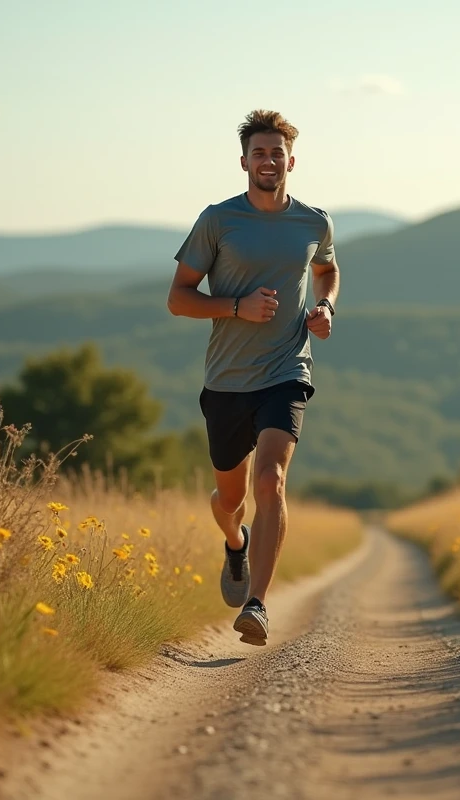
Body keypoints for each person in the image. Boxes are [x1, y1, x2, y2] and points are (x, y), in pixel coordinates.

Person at [166, 109, 339, 646]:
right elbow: (178, 299)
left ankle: (259, 605)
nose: (269, 160)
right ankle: (235, 543)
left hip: (287, 370)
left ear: (292, 159)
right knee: (230, 502)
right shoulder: (219, 220)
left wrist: (327, 307)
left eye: (277, 152)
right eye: (259, 152)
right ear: (244, 161)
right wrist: (236, 307)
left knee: (271, 481)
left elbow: (327, 269)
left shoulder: (314, 222)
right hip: (226, 381)